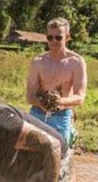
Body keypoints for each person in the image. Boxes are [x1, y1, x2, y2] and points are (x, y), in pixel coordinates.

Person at [27, 17, 87, 145]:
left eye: (58, 38)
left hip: (61, 116)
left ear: (67, 37)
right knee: (29, 156)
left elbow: (80, 97)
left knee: (60, 156)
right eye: (50, 37)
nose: (53, 41)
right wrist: (42, 103)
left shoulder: (76, 62)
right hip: (37, 113)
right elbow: (30, 96)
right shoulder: (38, 62)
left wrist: (59, 101)